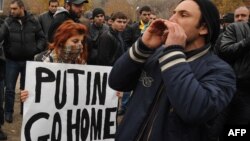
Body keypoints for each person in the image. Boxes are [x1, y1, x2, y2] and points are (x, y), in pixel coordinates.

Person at [108, 0, 236, 140]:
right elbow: (116, 81)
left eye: (183, 15)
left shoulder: (220, 71)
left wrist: (173, 52)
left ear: (203, 28)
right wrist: (142, 47)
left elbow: (194, 110)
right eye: (173, 13)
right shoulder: (156, 54)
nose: (171, 19)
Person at [0, 0, 46, 123]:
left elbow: (41, 38)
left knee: (26, 89)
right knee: (9, 89)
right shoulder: (8, 22)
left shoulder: (33, 21)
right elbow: (1, 35)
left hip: (29, 61)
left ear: (21, 8)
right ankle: (8, 113)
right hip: (12, 61)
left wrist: (37, 50)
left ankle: (24, 111)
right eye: (11, 9)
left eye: (14, 9)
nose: (12, 11)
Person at [21, 20, 88, 101]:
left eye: (82, 41)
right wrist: (27, 95)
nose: (80, 45)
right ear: (62, 41)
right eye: (75, 41)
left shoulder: (81, 62)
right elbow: (34, 89)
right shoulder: (42, 61)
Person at [215, 6, 250, 141]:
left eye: (243, 15)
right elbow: (222, 53)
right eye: (237, 16)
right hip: (227, 89)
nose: (240, 18)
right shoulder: (227, 34)